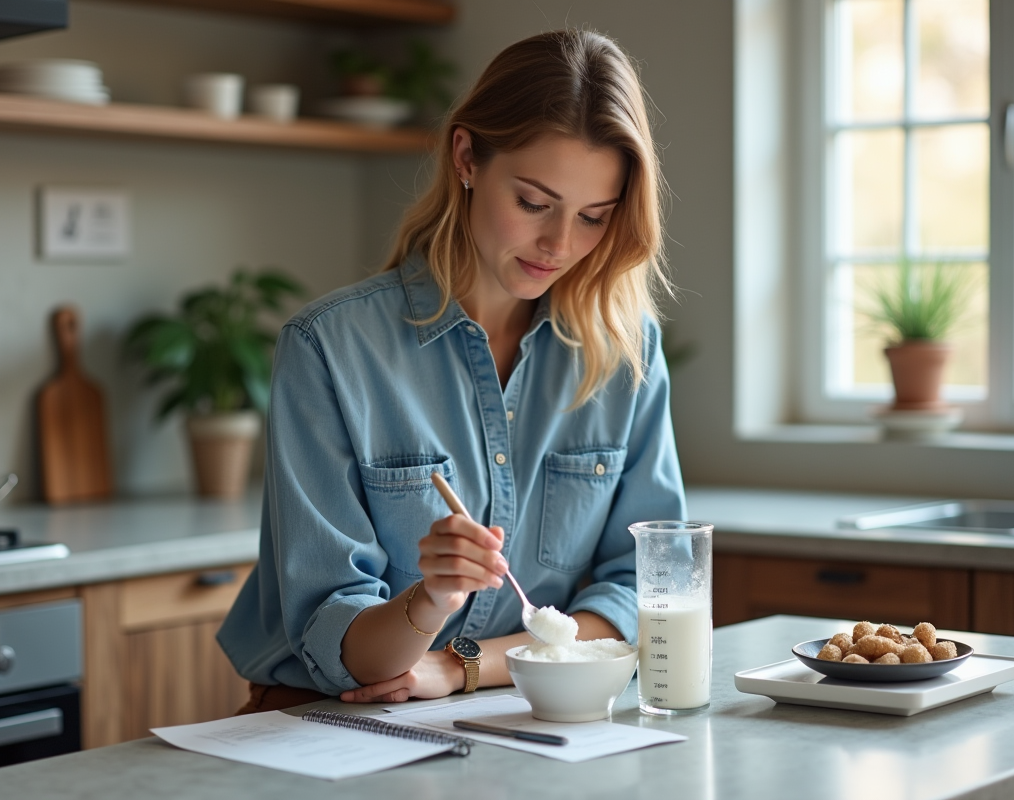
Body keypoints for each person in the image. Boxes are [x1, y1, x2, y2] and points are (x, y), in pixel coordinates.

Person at [217, 28, 686, 714]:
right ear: (467, 157)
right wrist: (432, 599)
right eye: (533, 202)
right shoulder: (328, 348)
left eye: (593, 217)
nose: (559, 244)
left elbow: (642, 595)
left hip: (515, 712)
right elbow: (350, 657)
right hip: (335, 722)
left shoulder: (625, 350)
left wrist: (462, 667)